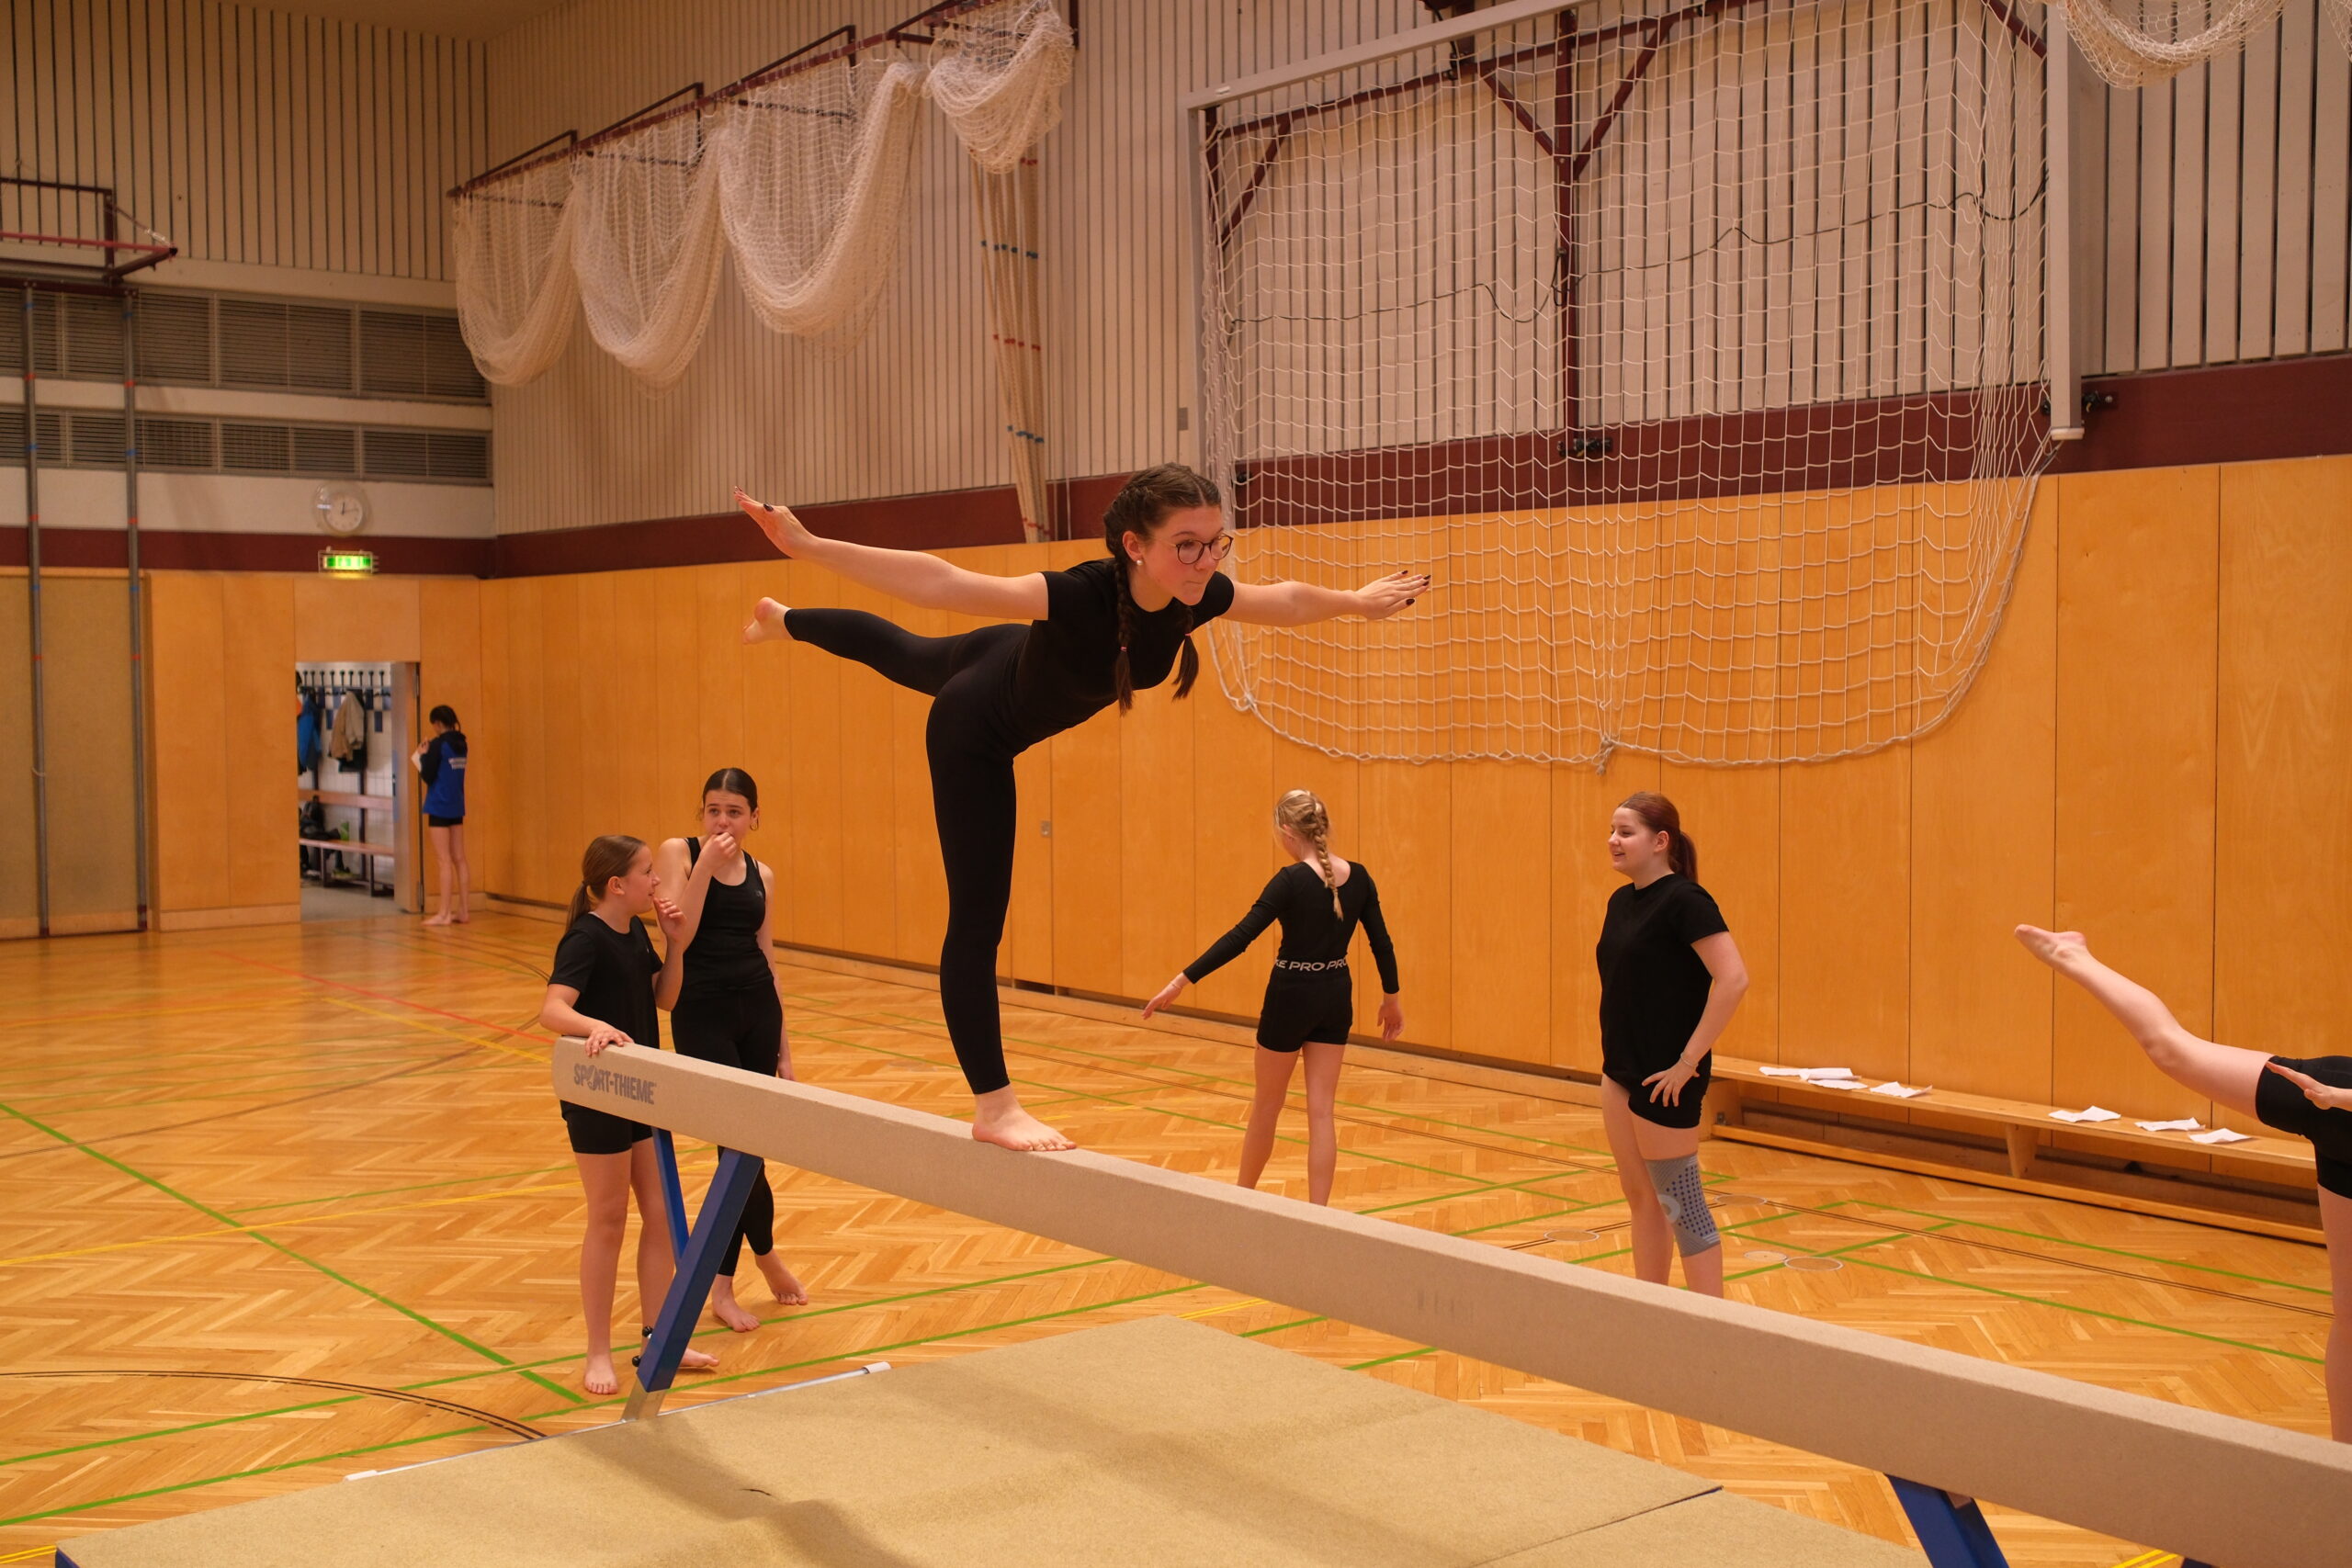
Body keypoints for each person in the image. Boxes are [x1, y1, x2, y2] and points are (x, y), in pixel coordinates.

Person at [735, 463, 1428, 1152]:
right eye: (1187, 544)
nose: (1206, 561)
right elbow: (942, 581)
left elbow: (1285, 600)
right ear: (1134, 545)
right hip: (976, 731)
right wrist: (809, 546)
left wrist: (1355, 601)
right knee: (976, 922)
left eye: (1216, 542)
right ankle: (994, 1106)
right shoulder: (1077, 594)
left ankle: (783, 620)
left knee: (907, 653)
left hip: (1005, 660)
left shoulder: (1193, 592)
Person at [2016, 925, 2350, 1441]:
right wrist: (2337, 1099)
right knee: (2174, 1051)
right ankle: (2071, 954)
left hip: (2337, 1105)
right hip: (2332, 1105)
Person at [1140, 789, 1402, 1206]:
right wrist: (1391, 998)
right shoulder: (1360, 877)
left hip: (1290, 996)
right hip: (1336, 993)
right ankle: (1319, 1215)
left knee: (1267, 1105)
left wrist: (1181, 981)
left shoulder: (1290, 880)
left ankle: (1243, 1201)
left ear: (1286, 831)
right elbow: (1381, 943)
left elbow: (1240, 936)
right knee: (1322, 1111)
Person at [539, 833, 718, 1395]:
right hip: (597, 1092)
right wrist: (594, 1026)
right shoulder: (585, 938)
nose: (656, 880)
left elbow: (664, 998)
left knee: (660, 1215)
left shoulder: (636, 932)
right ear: (617, 885)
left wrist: (676, 944)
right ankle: (597, 1350)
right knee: (609, 1218)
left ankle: (658, 1338)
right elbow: (552, 1009)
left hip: (640, 1089)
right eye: (647, 872)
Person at [652, 768, 810, 1333]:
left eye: (735, 812)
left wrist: (784, 1050)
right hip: (702, 1011)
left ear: (754, 818)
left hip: (757, 1011)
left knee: (751, 1148)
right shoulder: (679, 853)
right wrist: (703, 870)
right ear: (701, 813)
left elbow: (769, 957)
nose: (723, 821)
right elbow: (680, 935)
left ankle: (748, 1268)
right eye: (714, 810)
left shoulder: (763, 874)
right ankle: (741, 1273)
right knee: (735, 1148)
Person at [1594, 793, 1748, 1297]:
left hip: (1667, 1081)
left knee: (1682, 1208)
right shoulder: (1621, 902)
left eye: (1626, 832)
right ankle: (1652, 1315)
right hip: (1620, 1072)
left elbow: (1733, 979)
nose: (1613, 841)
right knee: (1641, 1199)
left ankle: (1710, 1324)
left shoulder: (1686, 901)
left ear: (1661, 841)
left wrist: (1687, 1062)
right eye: (1612, 831)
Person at [412, 705, 470, 927]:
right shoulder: (462, 743)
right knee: (460, 858)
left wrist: (421, 755)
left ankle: (444, 913)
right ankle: (463, 910)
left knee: (443, 860)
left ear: (437, 723)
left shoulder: (438, 744)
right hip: (456, 805)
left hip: (438, 805)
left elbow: (428, 775)